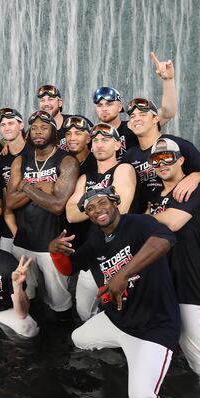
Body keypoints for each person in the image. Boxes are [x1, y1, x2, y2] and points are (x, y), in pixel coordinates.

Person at [49, 187, 180, 398]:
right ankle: (120, 353)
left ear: (114, 202)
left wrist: (123, 275)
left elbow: (165, 240)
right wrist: (54, 251)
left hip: (153, 327)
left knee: (140, 395)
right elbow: (69, 268)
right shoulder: (96, 241)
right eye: (90, 208)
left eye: (102, 203)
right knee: (78, 338)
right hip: (117, 319)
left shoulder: (139, 223)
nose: (97, 210)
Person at [147, 138, 200, 386]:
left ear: (181, 160)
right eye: (156, 160)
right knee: (155, 346)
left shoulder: (195, 189)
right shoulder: (151, 192)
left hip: (187, 282)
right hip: (158, 282)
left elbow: (172, 222)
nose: (162, 164)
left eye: (167, 157)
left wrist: (146, 217)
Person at [6, 110, 79, 314]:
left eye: (44, 127)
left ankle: (61, 340)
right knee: (26, 297)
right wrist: (38, 187)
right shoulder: (20, 160)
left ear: (54, 132)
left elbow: (58, 206)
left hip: (52, 245)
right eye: (34, 128)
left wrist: (25, 186)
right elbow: (10, 202)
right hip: (23, 242)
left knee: (60, 303)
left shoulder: (66, 161)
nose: (38, 132)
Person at [65, 123, 137, 321]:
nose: (99, 144)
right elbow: (70, 213)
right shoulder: (85, 177)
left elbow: (119, 209)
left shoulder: (124, 169)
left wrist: (87, 206)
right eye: (95, 140)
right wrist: (103, 208)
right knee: (83, 311)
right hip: (94, 254)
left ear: (117, 145)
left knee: (125, 310)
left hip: (121, 255)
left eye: (105, 140)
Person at [123, 97, 200, 213]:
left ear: (155, 119)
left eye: (142, 114)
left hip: (174, 212)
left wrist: (196, 176)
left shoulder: (176, 145)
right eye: (132, 116)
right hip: (141, 218)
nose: (137, 119)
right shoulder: (129, 156)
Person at [92, 52, 177, 159]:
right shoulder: (91, 135)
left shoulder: (134, 126)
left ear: (119, 107)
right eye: (99, 105)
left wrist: (168, 79)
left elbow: (167, 113)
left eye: (109, 104)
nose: (104, 108)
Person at [0, 108, 27, 251]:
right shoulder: (1, 159)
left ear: (21, 125)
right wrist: (15, 231)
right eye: (3, 125)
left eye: (10, 123)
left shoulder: (35, 151)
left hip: (36, 224)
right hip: (10, 227)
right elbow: (6, 200)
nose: (6, 128)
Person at [37, 84, 69, 150]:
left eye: (50, 99)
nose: (46, 104)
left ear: (60, 103)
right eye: (42, 100)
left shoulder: (74, 122)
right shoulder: (35, 131)